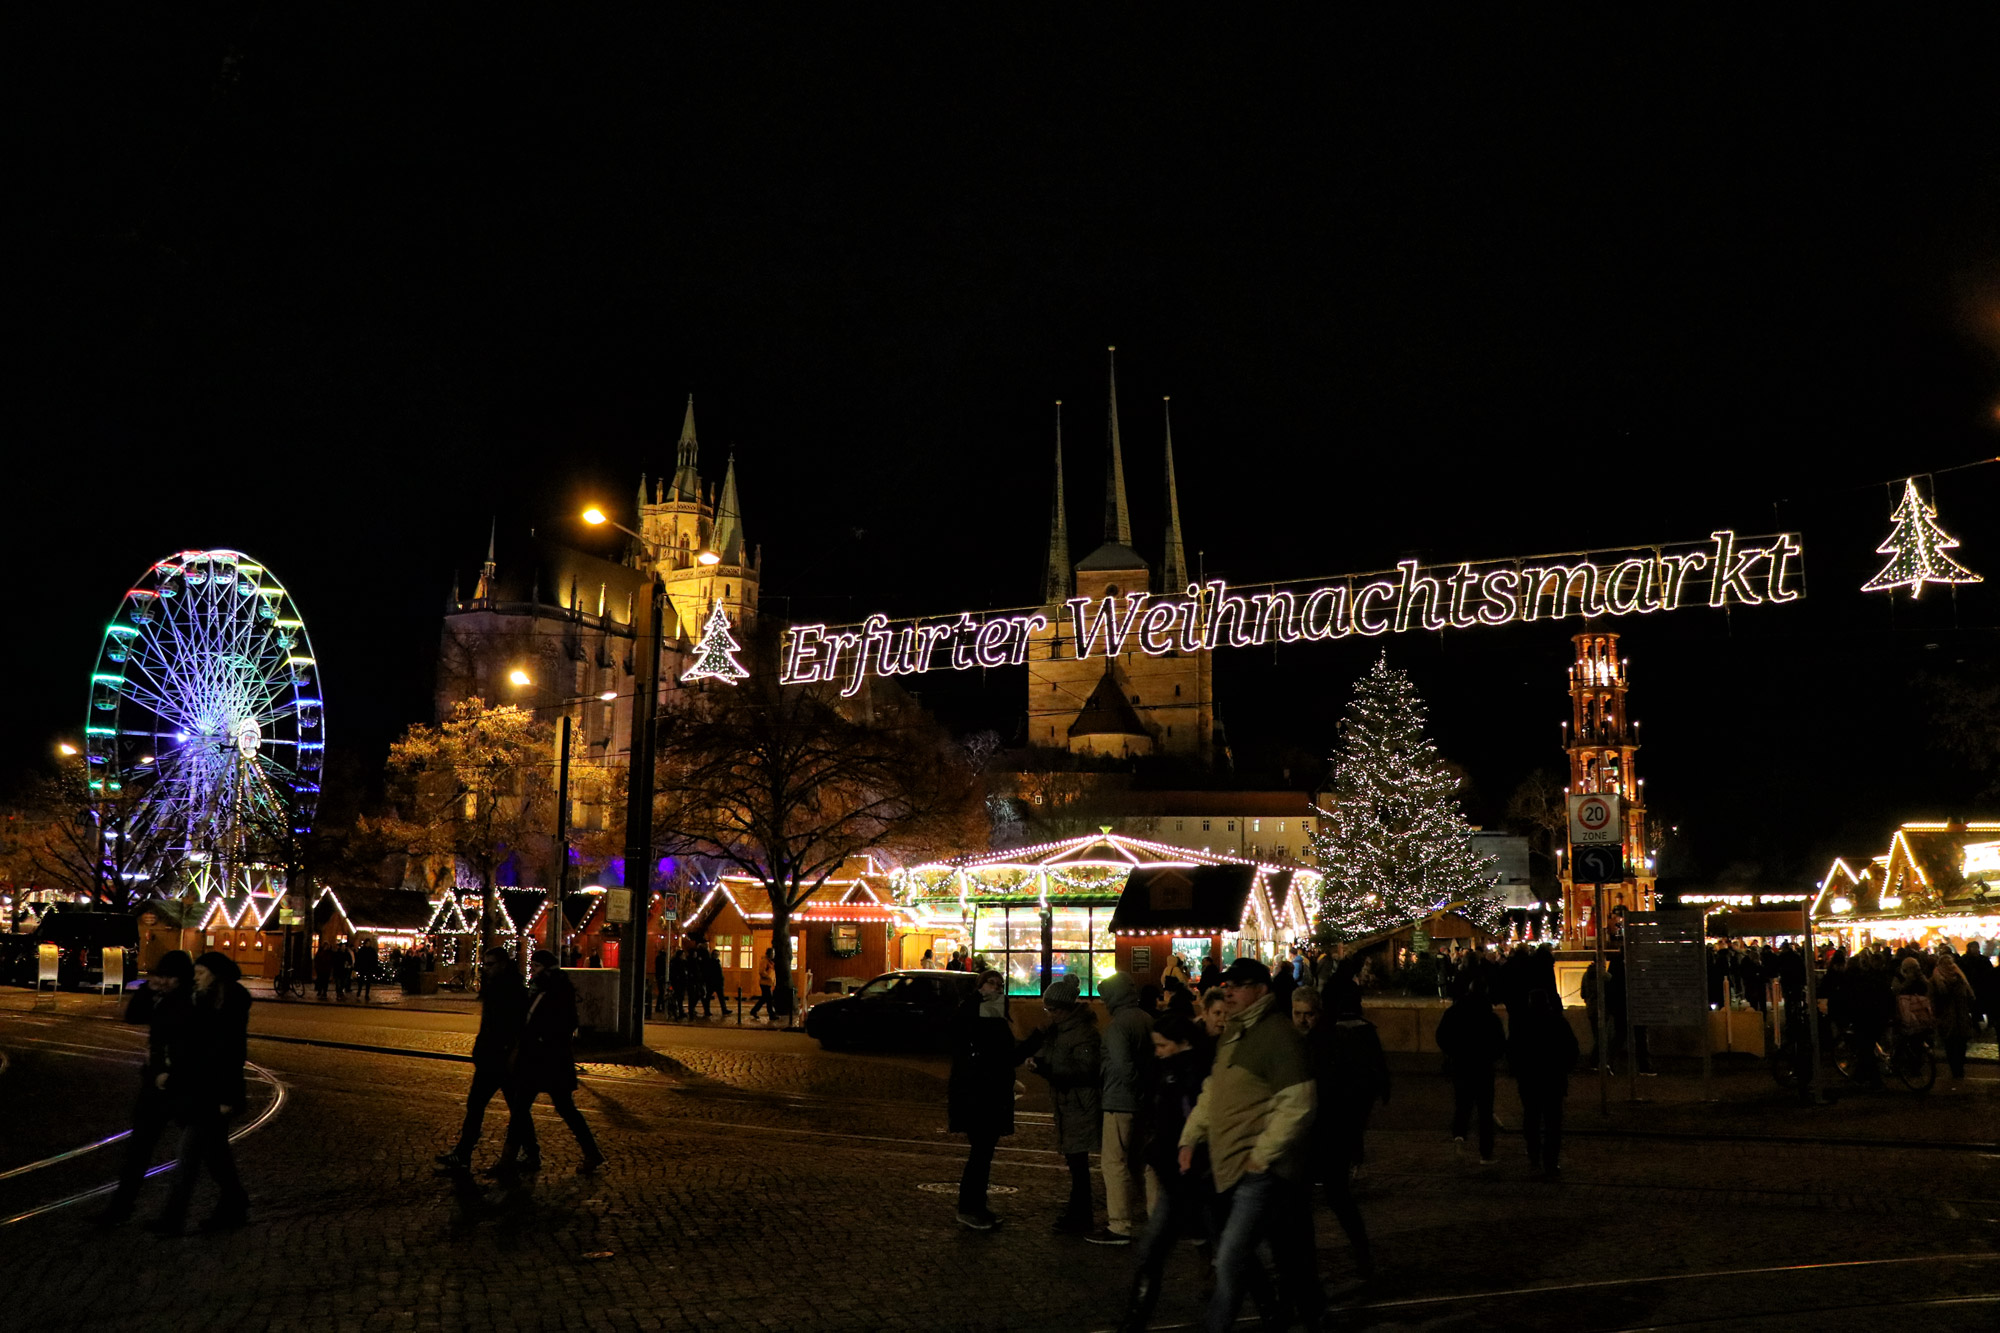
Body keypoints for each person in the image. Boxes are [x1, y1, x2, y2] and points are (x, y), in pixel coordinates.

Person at [1178, 957, 1323, 1333]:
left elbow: (1299, 1101)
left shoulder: (1277, 1035)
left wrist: (1262, 1155)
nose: (1229, 991)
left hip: (1259, 1170)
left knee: (1231, 1258)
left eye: (1238, 985)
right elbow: (1216, 1090)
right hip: (1235, 1166)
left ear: (1260, 990)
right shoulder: (1235, 1032)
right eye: (1227, 985)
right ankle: (1297, 1313)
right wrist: (1191, 1136)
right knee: (1282, 1254)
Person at [149, 952, 253, 1234]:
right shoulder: (202, 999)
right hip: (200, 1089)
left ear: (215, 974)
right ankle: (235, 1201)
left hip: (213, 1094)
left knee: (189, 1156)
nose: (196, 977)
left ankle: (173, 1218)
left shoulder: (228, 1002)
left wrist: (228, 1097)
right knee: (216, 1156)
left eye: (201, 972)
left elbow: (231, 1053)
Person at [95, 950, 196, 1227]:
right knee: (139, 1147)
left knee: (204, 1148)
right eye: (160, 976)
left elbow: (185, 1045)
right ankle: (121, 1206)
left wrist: (168, 1071)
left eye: (168, 977)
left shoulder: (188, 1001)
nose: (163, 981)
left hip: (178, 1084)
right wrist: (146, 991)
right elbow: (134, 1016)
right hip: (155, 1083)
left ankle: (225, 1199)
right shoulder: (161, 997)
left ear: (181, 979)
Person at [1292, 984, 1373, 1276]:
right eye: (1298, 1014)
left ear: (1319, 1013)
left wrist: (1351, 1136)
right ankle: (1306, 1263)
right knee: (1304, 1204)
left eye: (1308, 1014)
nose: (1303, 1020)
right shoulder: (1293, 1044)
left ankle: (1361, 1253)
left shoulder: (1334, 1042)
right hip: (1305, 1135)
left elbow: (1352, 1090)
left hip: (1330, 1134)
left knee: (1338, 1198)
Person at [501, 950, 604, 1175]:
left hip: (546, 1060)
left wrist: (541, 1037)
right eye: (533, 965)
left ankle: (512, 1160)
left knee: (546, 1109)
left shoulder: (555, 989)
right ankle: (589, 1152)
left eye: (537, 966)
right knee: (529, 1108)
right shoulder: (542, 988)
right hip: (543, 1060)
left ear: (547, 968)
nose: (533, 970)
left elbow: (565, 1023)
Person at [436, 946, 533, 1172]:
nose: (486, 969)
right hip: (491, 1056)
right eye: (485, 964)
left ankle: (464, 1153)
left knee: (488, 1106)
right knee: (501, 1107)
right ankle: (465, 1152)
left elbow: (515, 1026)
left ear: (503, 964)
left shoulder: (512, 990)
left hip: (500, 1058)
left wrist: (511, 1053)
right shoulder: (496, 987)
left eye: (490, 964)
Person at [1026, 974, 1101, 1236]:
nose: (1049, 1014)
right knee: (1074, 1162)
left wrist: (1048, 1071)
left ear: (1065, 1008)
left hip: (1079, 1103)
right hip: (1065, 1102)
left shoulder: (1082, 1032)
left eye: (1052, 1009)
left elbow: (1085, 1070)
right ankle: (1077, 1212)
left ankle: (1081, 1215)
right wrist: (1040, 1062)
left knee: (1078, 1163)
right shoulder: (1058, 1030)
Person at [948, 970, 1019, 1229]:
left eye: (1000, 984)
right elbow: (994, 1050)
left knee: (983, 1153)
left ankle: (976, 1206)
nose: (997, 988)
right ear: (980, 986)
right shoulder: (973, 1010)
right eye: (992, 983)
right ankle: (968, 1208)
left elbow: (1005, 1051)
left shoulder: (994, 1011)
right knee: (980, 1153)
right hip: (978, 1093)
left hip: (986, 1092)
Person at [1095, 971, 1154, 1245]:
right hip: (1147, 1103)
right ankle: (1157, 1217)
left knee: (1114, 1162)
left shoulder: (1118, 1026)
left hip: (1120, 1102)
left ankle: (1119, 1224)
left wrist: (1135, 1090)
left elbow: (1122, 1066)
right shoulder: (1147, 1019)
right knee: (1146, 1163)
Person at [1508, 988, 1579, 1179]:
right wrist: (1563, 1069)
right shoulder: (1558, 1022)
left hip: (1530, 1080)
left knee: (1531, 1118)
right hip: (1553, 1079)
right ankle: (1550, 1161)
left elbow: (1512, 1052)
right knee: (1553, 1122)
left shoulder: (1522, 1024)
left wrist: (1518, 1071)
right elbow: (1572, 1051)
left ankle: (1533, 1153)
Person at [1435, 975, 1505, 1164]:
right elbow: (1500, 1043)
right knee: (1484, 1110)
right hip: (1483, 1067)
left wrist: (1452, 1052)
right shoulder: (1490, 1017)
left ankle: (1459, 1138)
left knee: (1462, 1105)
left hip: (1461, 1065)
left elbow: (1441, 1036)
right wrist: (1491, 1057)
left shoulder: (1454, 1012)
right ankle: (1486, 1153)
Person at [1926, 953, 1975, 1089]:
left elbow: (1968, 996)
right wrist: (1935, 1016)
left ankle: (1959, 1068)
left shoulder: (1960, 978)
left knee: (1962, 1044)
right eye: (1946, 963)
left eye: (1951, 963)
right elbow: (1933, 1000)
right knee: (1951, 1044)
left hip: (1961, 1016)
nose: (1950, 966)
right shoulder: (1935, 981)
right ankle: (1955, 1070)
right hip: (1946, 1018)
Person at [702, 941, 730, 1016]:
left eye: (718, 954)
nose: (717, 956)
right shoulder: (711, 962)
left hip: (717, 982)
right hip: (712, 982)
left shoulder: (717, 962)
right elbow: (710, 972)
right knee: (708, 997)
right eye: (716, 954)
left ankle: (724, 1009)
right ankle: (707, 1011)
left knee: (721, 997)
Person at [750, 948, 777, 1020]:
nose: (773, 955)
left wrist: (773, 981)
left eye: (774, 953)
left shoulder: (770, 962)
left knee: (764, 999)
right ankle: (771, 1014)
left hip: (768, 983)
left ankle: (754, 1011)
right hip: (765, 983)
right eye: (772, 953)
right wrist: (769, 977)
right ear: (768, 954)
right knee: (769, 999)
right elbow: (761, 971)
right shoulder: (764, 961)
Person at [668, 942, 692, 1020]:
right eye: (683, 955)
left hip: (681, 982)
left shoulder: (682, 962)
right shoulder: (677, 963)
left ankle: (680, 1011)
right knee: (678, 997)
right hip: (678, 982)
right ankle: (678, 1011)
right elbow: (677, 973)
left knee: (680, 998)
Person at [354, 937, 379, 1003]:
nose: (368, 944)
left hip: (369, 968)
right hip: (363, 968)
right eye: (367, 943)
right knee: (361, 981)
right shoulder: (362, 950)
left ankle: (366, 994)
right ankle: (359, 992)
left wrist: (374, 967)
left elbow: (374, 960)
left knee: (368, 982)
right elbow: (358, 959)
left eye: (369, 943)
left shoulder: (371, 951)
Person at [652, 942, 669, 1017]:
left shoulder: (658, 958)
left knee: (661, 992)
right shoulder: (662, 959)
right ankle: (660, 1006)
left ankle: (660, 1006)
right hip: (662, 976)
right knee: (662, 992)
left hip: (660, 976)